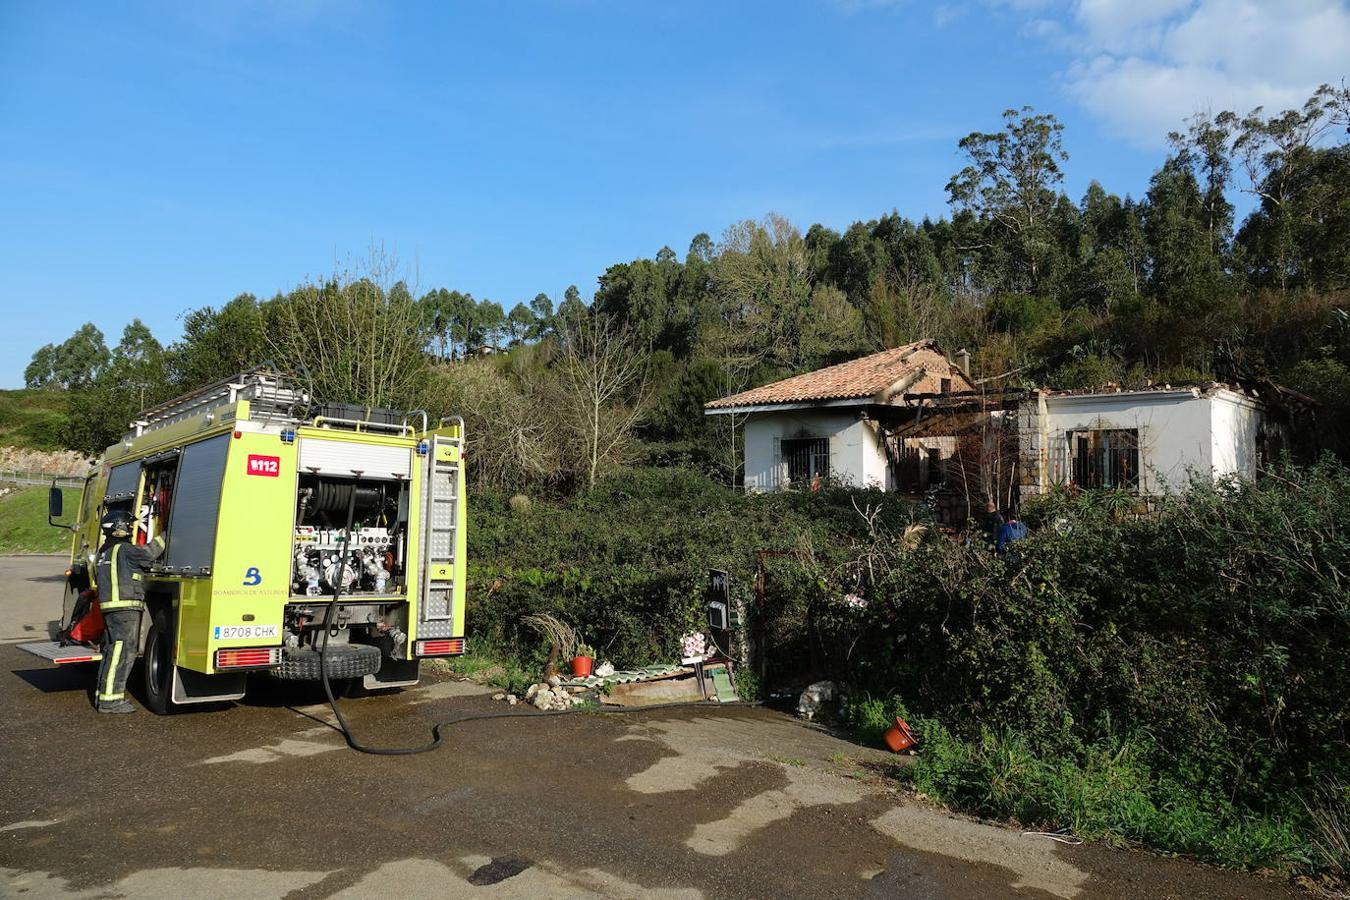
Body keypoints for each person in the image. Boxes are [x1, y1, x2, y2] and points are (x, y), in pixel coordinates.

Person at [92, 510, 165, 714]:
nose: (131, 527)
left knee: (111, 651)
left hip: (110, 608)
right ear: (118, 527)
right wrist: (168, 533)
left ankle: (103, 694)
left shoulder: (102, 552)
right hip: (125, 608)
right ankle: (110, 702)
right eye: (128, 524)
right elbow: (150, 552)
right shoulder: (124, 550)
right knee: (123, 653)